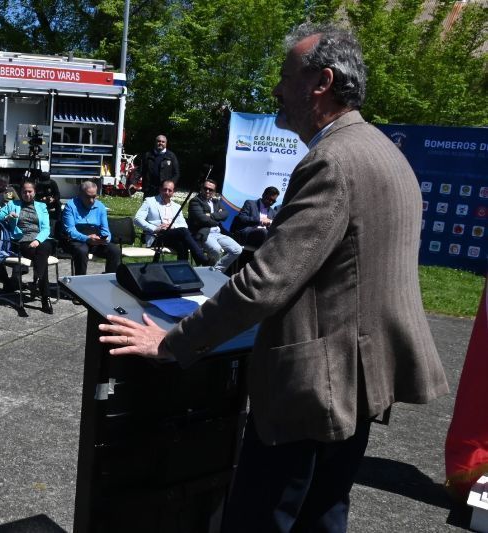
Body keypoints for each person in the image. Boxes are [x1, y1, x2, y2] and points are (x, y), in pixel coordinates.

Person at [99, 23, 449, 533]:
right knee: (323, 515)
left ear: (321, 82)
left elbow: (265, 283)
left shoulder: (331, 160)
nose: (277, 90)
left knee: (261, 521)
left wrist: (173, 344)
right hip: (361, 382)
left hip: (312, 388)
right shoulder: (383, 150)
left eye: (286, 77)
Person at [0, 180, 53, 314]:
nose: (27, 194)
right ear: (21, 192)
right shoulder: (12, 204)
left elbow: (46, 229)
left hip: (40, 241)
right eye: (24, 191)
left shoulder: (41, 206)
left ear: (34, 192)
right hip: (22, 241)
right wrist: (7, 216)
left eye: (30, 191)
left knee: (44, 248)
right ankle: (45, 296)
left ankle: (41, 286)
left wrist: (37, 240)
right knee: (42, 258)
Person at [133, 179, 210, 265]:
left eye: (170, 190)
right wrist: (155, 228)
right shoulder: (150, 201)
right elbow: (137, 219)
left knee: (182, 244)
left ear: (173, 192)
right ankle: (201, 258)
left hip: (172, 235)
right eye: (164, 189)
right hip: (157, 236)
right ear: (160, 189)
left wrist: (172, 226)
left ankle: (181, 272)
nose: (167, 192)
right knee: (183, 232)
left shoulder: (177, 206)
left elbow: (184, 225)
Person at [62, 180, 120, 276]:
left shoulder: (100, 206)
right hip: (77, 238)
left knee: (115, 251)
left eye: (94, 197)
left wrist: (105, 239)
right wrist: (87, 238)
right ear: (80, 194)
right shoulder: (71, 206)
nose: (92, 201)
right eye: (88, 197)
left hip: (96, 238)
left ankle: (109, 279)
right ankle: (80, 281)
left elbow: (105, 229)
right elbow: (70, 230)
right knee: (81, 251)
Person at [187, 178, 242, 272]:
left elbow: (225, 214)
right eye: (205, 188)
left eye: (211, 189)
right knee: (216, 249)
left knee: (237, 249)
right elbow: (202, 219)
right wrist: (216, 219)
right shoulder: (195, 201)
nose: (208, 191)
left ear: (214, 191)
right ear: (201, 188)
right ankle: (208, 272)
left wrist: (210, 215)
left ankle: (216, 271)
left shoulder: (216, 201)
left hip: (218, 233)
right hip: (204, 233)